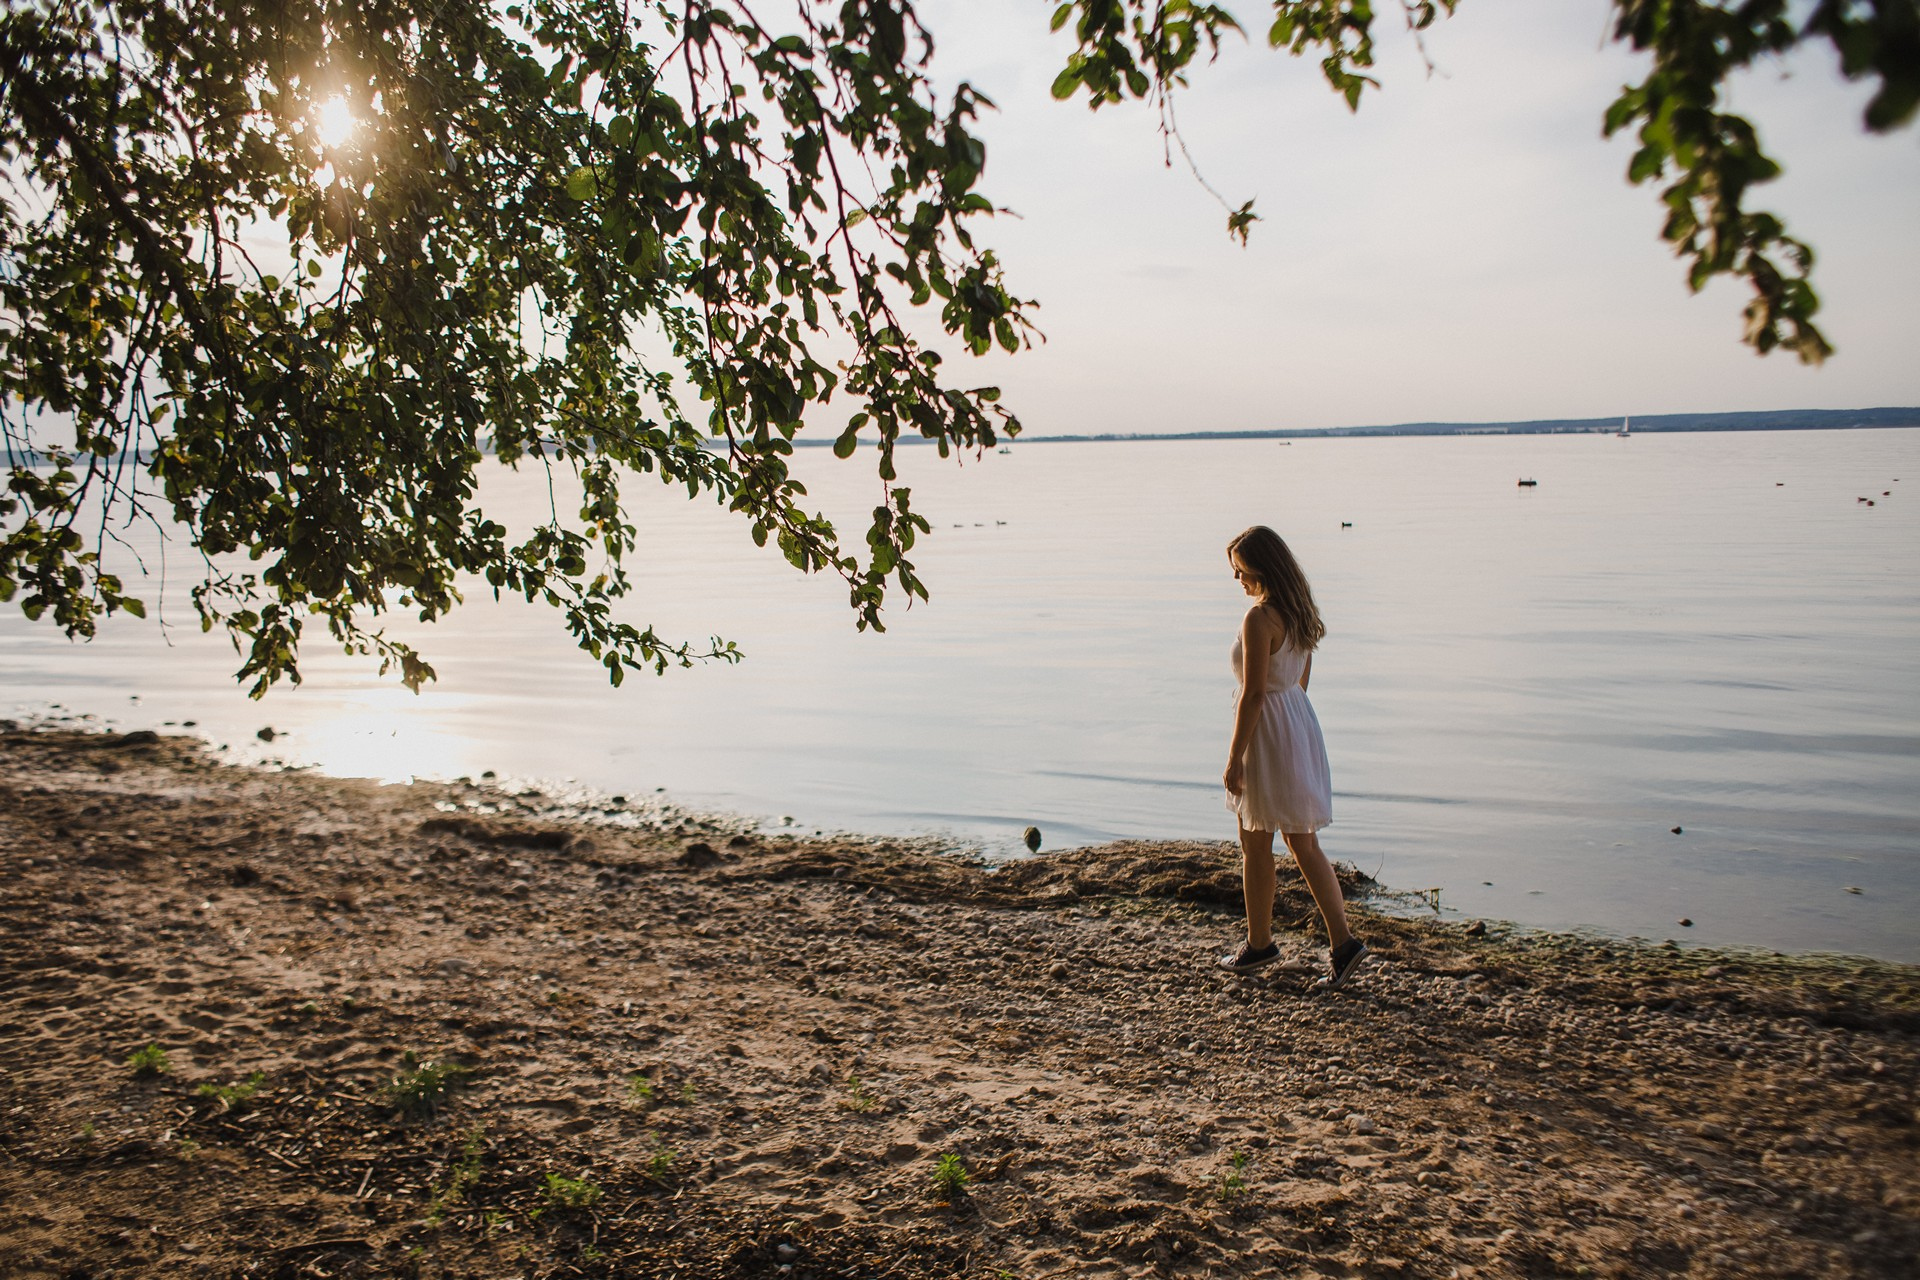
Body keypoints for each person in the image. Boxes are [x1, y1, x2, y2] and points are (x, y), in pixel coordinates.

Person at [1218, 525, 1367, 988]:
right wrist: (1291, 727)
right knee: (1302, 843)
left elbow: (1254, 694)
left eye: (1241, 571)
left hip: (1267, 731)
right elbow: (1298, 681)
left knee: (1255, 841)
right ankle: (1341, 944)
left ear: (1263, 568)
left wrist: (1234, 757)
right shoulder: (1299, 613)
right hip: (1298, 724)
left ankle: (1261, 943)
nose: (1238, 580)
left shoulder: (1259, 619)